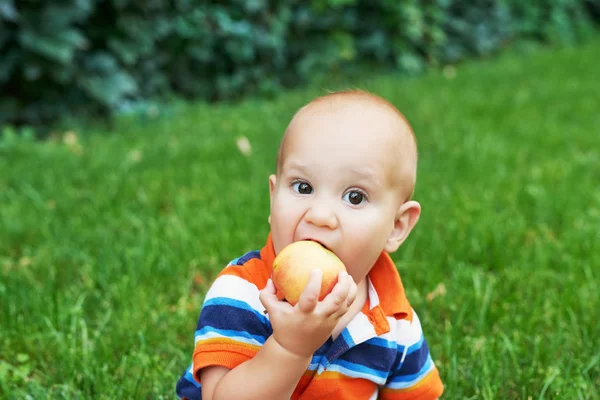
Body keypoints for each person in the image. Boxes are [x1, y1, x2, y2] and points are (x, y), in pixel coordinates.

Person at [176, 89, 444, 399]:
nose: (320, 215)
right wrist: (291, 348)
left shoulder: (395, 321)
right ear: (273, 197)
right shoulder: (243, 294)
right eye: (303, 187)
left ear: (396, 227)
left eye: (354, 197)